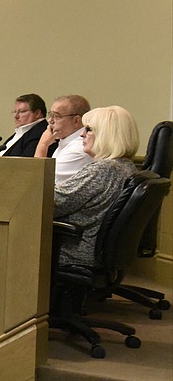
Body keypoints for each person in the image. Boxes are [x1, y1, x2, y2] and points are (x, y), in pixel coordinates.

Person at [54, 106, 139, 267]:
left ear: (108, 135)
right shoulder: (125, 166)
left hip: (73, 250)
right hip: (94, 249)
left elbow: (53, 204)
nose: (81, 134)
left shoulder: (103, 169)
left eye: (89, 129)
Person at [34, 95, 93, 184]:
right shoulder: (66, 142)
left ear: (76, 121)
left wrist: (43, 145)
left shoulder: (78, 149)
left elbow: (38, 181)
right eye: (50, 115)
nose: (50, 120)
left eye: (56, 116)